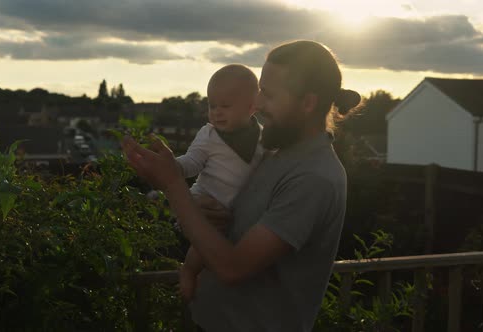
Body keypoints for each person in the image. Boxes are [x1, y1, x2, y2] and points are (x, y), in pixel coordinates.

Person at [122, 40, 361, 331]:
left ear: (308, 103)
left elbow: (233, 268)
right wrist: (206, 214)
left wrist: (173, 184)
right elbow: (235, 225)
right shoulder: (275, 153)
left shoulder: (313, 178)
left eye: (268, 95)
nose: (257, 103)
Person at [175, 64, 264, 300]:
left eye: (225, 106)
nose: (216, 113)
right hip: (206, 198)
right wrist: (173, 167)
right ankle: (189, 271)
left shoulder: (264, 139)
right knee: (206, 242)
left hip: (232, 210)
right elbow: (192, 161)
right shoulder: (209, 135)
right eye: (211, 105)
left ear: (252, 107)